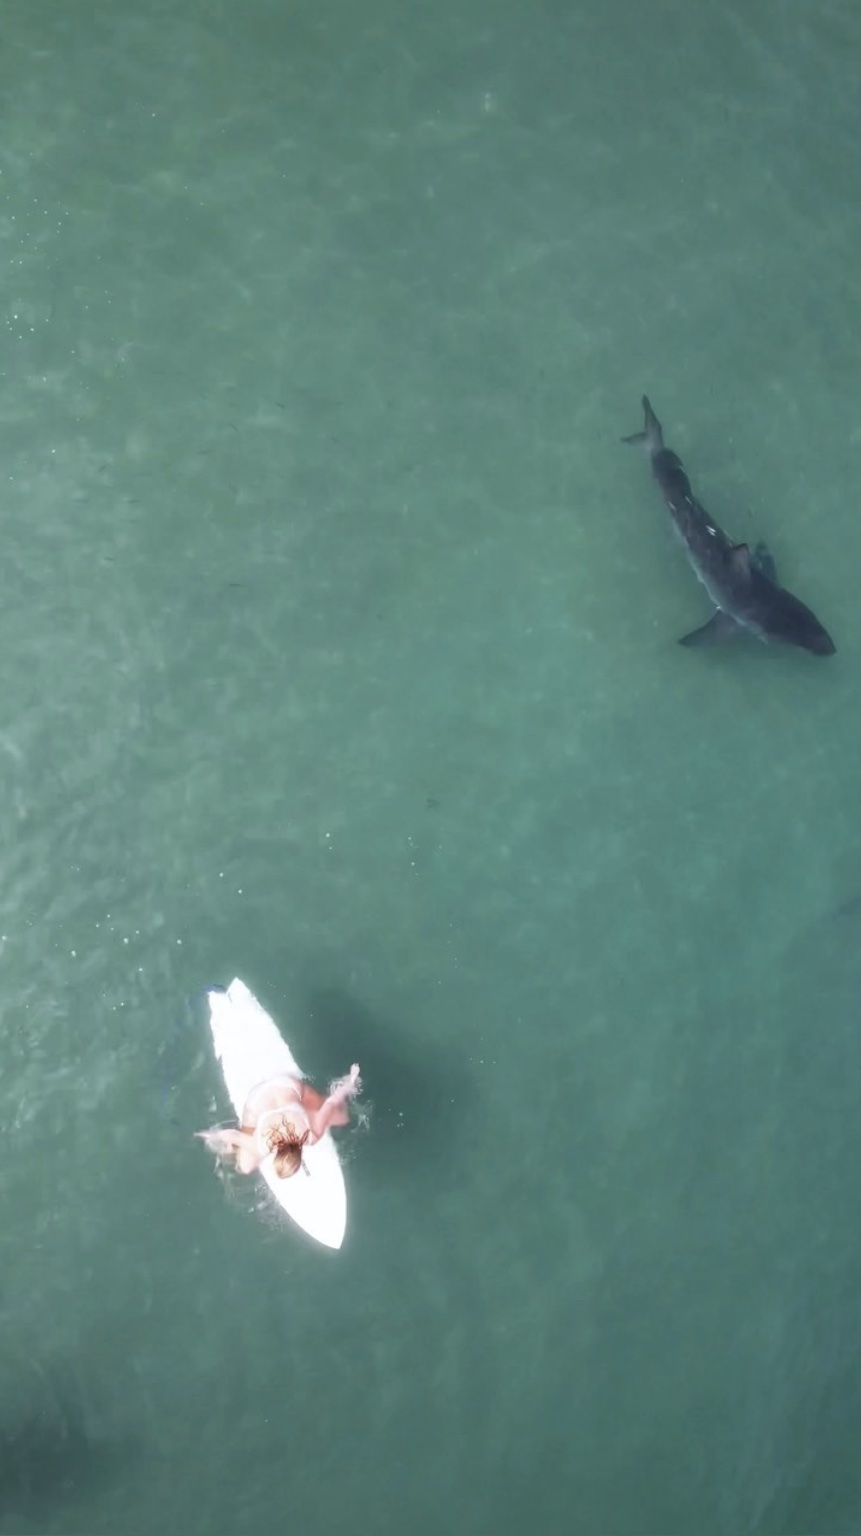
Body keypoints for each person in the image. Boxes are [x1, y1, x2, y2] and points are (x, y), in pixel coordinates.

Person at [197, 1064, 360, 1180]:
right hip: (270, 1093)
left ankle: (311, 1109)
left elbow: (331, 1102)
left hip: (275, 1091)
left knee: (341, 1117)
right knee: (246, 1167)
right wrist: (210, 1135)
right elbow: (232, 1135)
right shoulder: (260, 1145)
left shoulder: (312, 1134)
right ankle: (311, 1109)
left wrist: (350, 1082)